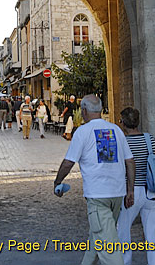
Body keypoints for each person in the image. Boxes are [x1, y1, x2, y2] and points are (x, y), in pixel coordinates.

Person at [54, 94, 135, 265]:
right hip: (116, 194)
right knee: (98, 237)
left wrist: (57, 181)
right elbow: (129, 161)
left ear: (83, 111)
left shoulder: (83, 132)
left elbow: (68, 162)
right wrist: (130, 190)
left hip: (98, 195)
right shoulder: (116, 130)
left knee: (108, 248)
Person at [117, 107, 155, 265]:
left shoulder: (123, 142)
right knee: (153, 232)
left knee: (123, 229)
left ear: (123, 123)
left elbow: (120, 168)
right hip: (151, 191)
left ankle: (125, 261)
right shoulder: (150, 139)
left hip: (131, 191)